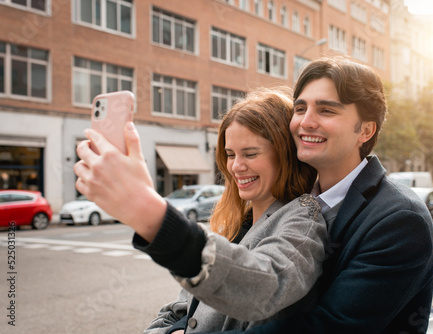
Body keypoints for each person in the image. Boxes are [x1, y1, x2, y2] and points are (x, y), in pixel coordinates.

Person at [206, 56, 433, 334]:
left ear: (365, 130)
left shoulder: (400, 219)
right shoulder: (284, 201)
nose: (306, 122)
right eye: (300, 108)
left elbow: (328, 327)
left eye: (326, 110)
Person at [74, 88, 328, 333]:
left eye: (250, 153)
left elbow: (265, 287)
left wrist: (149, 212)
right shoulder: (234, 224)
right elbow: (179, 309)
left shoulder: (304, 217)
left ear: (285, 155)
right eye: (230, 154)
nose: (236, 167)